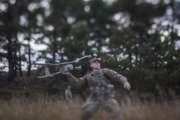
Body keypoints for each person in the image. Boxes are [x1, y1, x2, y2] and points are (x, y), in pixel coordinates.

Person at [62, 57, 131, 120]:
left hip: (107, 97)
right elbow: (77, 83)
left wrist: (125, 82)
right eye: (95, 62)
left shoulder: (105, 71)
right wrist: (69, 75)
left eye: (98, 62)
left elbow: (117, 76)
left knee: (117, 115)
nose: (97, 63)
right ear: (91, 65)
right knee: (84, 114)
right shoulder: (88, 76)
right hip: (94, 98)